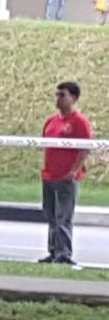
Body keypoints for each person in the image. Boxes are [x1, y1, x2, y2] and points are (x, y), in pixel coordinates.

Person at [40, 81, 93, 265]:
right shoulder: (51, 121)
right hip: (49, 176)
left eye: (62, 95)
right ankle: (53, 251)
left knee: (64, 216)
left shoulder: (79, 122)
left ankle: (64, 254)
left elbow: (85, 148)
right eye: (57, 95)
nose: (58, 99)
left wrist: (73, 170)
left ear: (74, 98)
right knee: (51, 215)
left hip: (66, 177)